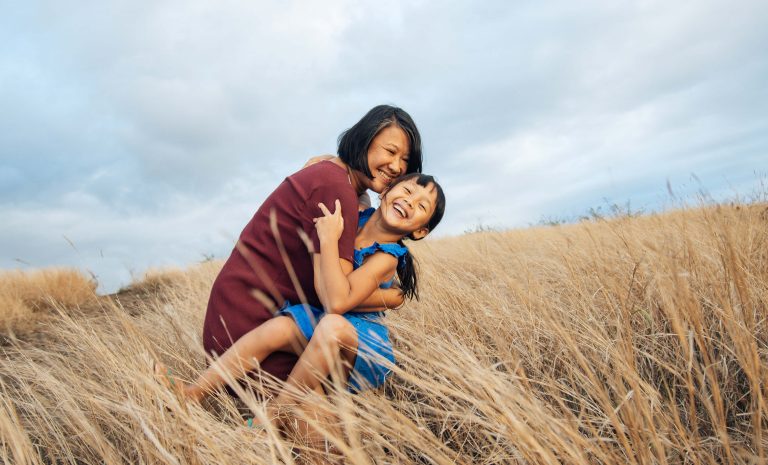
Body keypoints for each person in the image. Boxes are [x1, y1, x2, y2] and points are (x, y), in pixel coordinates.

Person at [158, 173, 445, 409]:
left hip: (357, 341)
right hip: (326, 318)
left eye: (422, 206)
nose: (409, 201)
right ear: (386, 191)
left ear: (420, 231)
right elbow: (343, 174)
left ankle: (273, 416)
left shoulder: (386, 258)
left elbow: (341, 302)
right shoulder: (357, 210)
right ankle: (193, 393)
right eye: (407, 191)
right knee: (277, 329)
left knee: (330, 327)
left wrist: (330, 238)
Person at [200, 105, 423, 388]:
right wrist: (390, 298)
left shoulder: (337, 182)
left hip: (237, 326)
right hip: (250, 333)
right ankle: (263, 418)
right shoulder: (337, 190)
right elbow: (336, 298)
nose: (398, 167)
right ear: (365, 139)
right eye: (391, 152)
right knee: (316, 413)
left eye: (405, 160)